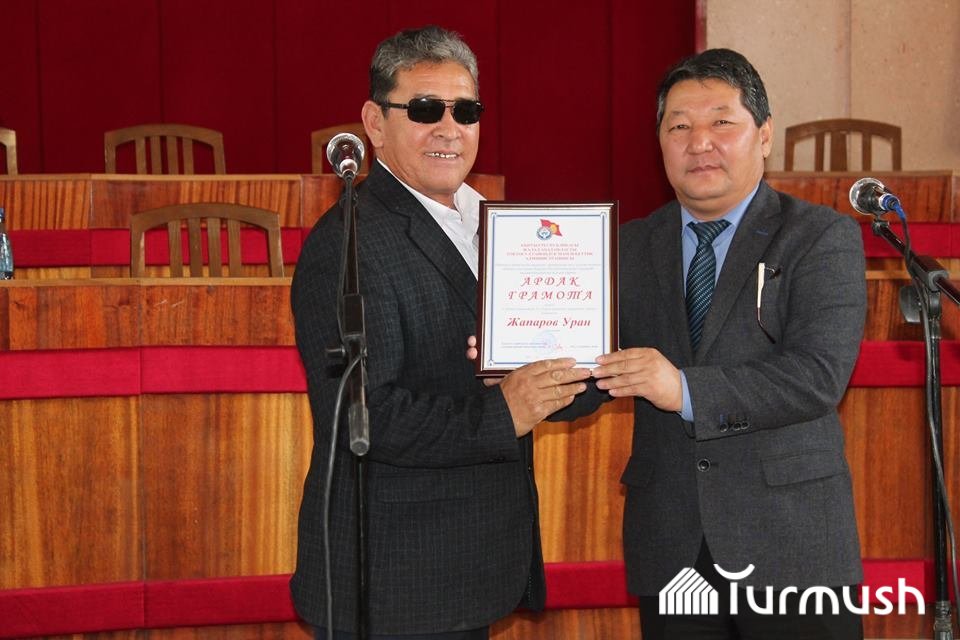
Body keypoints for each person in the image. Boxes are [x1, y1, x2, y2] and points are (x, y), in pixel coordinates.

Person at [290, 25, 590, 640]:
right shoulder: (347, 242)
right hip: (396, 581)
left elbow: (526, 374)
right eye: (425, 109)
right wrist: (504, 412)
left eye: (466, 111)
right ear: (374, 124)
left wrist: (591, 368)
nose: (450, 129)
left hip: (470, 566)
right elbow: (361, 417)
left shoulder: (501, 227)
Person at [558, 48, 867, 638]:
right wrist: (524, 368)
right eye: (678, 127)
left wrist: (683, 389)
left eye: (721, 122)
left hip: (791, 542)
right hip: (673, 543)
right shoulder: (627, 247)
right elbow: (595, 373)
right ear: (660, 142)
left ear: (764, 134)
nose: (699, 142)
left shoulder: (819, 237)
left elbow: (817, 376)